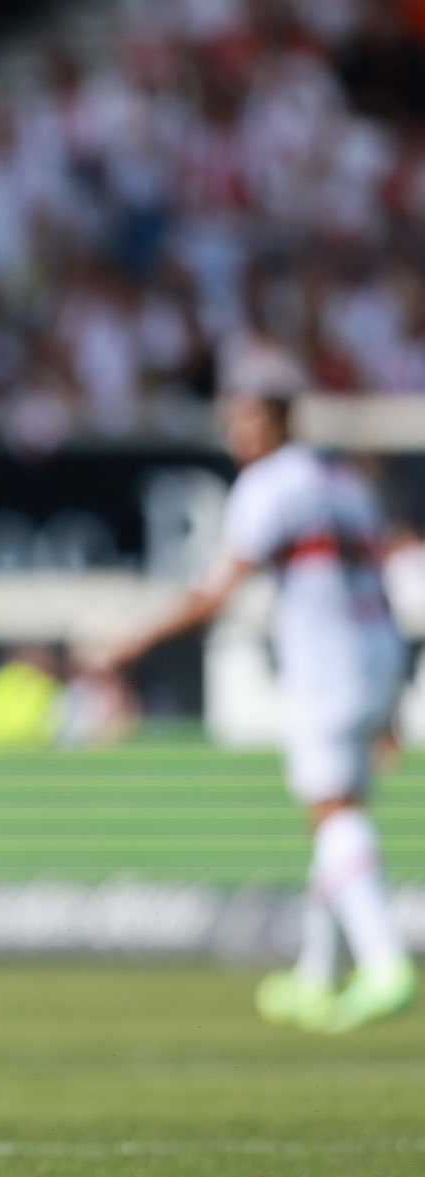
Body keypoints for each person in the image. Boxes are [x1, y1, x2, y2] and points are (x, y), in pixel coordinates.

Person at [102, 360, 415, 1032]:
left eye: (248, 421)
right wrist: (390, 701)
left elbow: (216, 592)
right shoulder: (344, 482)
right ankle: (314, 976)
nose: (238, 434)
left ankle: (385, 961)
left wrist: (134, 636)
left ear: (277, 422)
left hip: (325, 661)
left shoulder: (267, 486)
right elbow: (380, 583)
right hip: (376, 652)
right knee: (334, 817)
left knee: (333, 815)